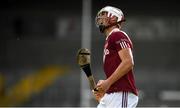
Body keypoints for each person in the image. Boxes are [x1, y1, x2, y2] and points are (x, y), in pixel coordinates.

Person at [93, 6, 139, 108]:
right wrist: (104, 88)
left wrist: (107, 83)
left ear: (114, 18)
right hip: (112, 94)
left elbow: (128, 62)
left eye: (104, 15)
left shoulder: (117, 35)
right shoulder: (110, 39)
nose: (101, 18)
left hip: (122, 93)